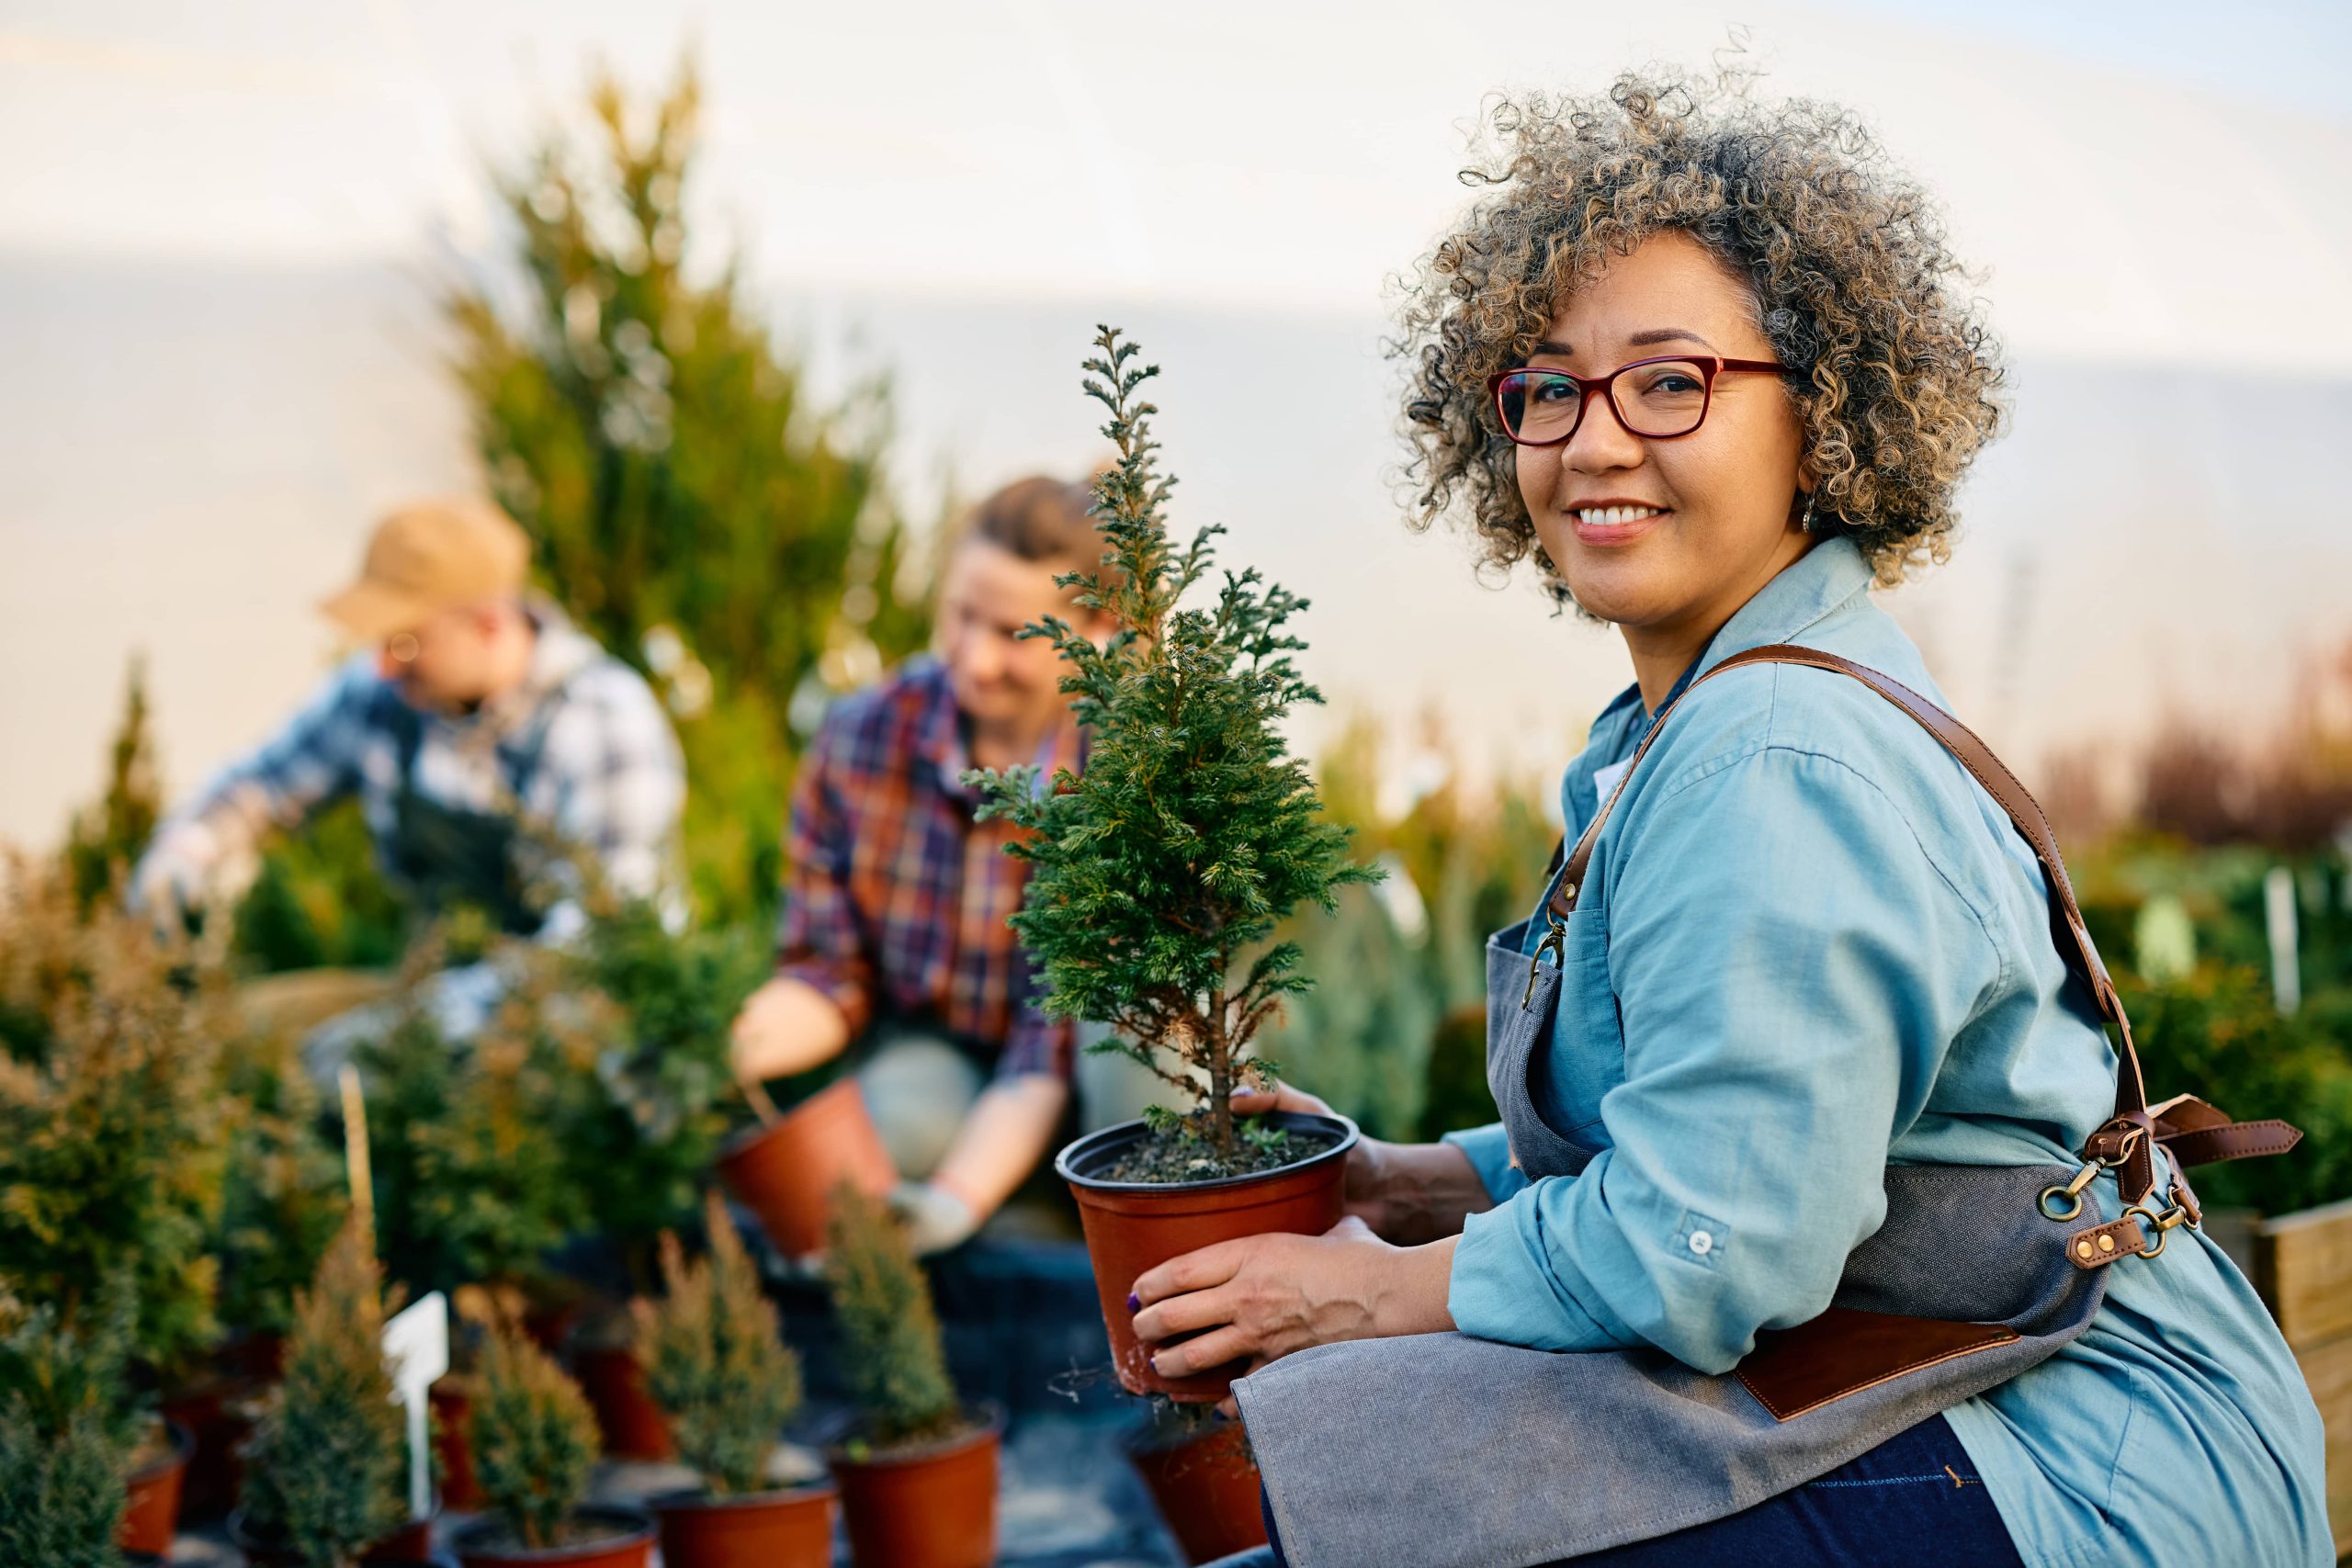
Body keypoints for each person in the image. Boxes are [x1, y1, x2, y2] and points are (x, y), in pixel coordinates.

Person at [1133, 74, 2333, 1567]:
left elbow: (1716, 1244)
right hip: (1938, 1364)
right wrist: (1407, 1178)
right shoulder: (1688, 718)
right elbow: (1720, 1114)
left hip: (2077, 1459)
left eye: (1670, 380)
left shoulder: (1772, 753)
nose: (1594, 440)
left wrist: (1364, 1287)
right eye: (1550, 387)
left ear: (1819, 418)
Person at [730, 475, 1139, 1256]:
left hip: (1091, 1064)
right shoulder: (863, 735)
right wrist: (719, 1047)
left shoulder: (1122, 764)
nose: (974, 659)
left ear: (1094, 627)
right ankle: (1006, 1194)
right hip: (939, 1046)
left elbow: (1046, 1041)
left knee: (1144, 1049)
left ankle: (1130, 1228)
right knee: (860, 1163)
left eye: (1013, 633)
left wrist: (954, 1203)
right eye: (960, 615)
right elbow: (829, 972)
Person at [132, 496, 684, 1034]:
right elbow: (264, 785)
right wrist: (182, 855)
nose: (386, 664)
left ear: (489, 625)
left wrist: (402, 1037)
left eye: (406, 640)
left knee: (335, 1064)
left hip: (580, 1030)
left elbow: (601, 949)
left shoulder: (605, 723)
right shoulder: (387, 696)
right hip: (434, 993)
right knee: (233, 1035)